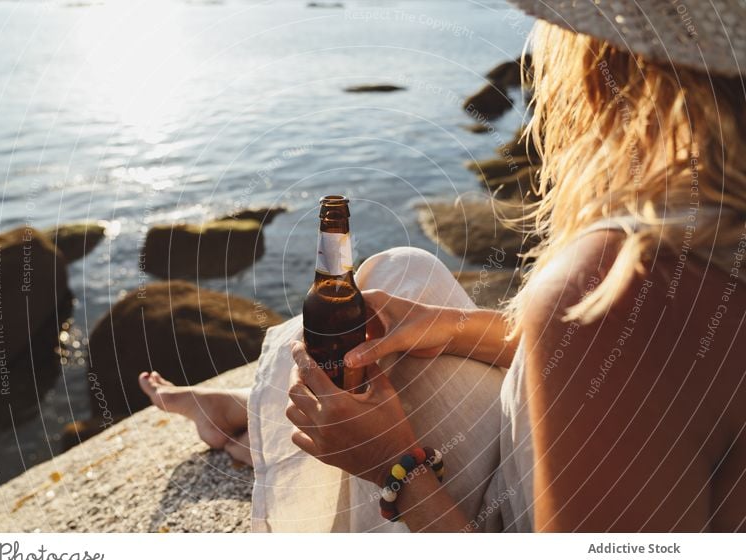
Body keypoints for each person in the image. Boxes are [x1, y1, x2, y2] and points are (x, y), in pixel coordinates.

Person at [139, 0, 746, 532]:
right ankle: (250, 418)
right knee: (400, 282)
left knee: (378, 365)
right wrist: (450, 326)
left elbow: (618, 356)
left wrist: (397, 468)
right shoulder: (703, 250)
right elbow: (621, 381)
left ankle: (247, 425)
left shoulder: (626, 280)